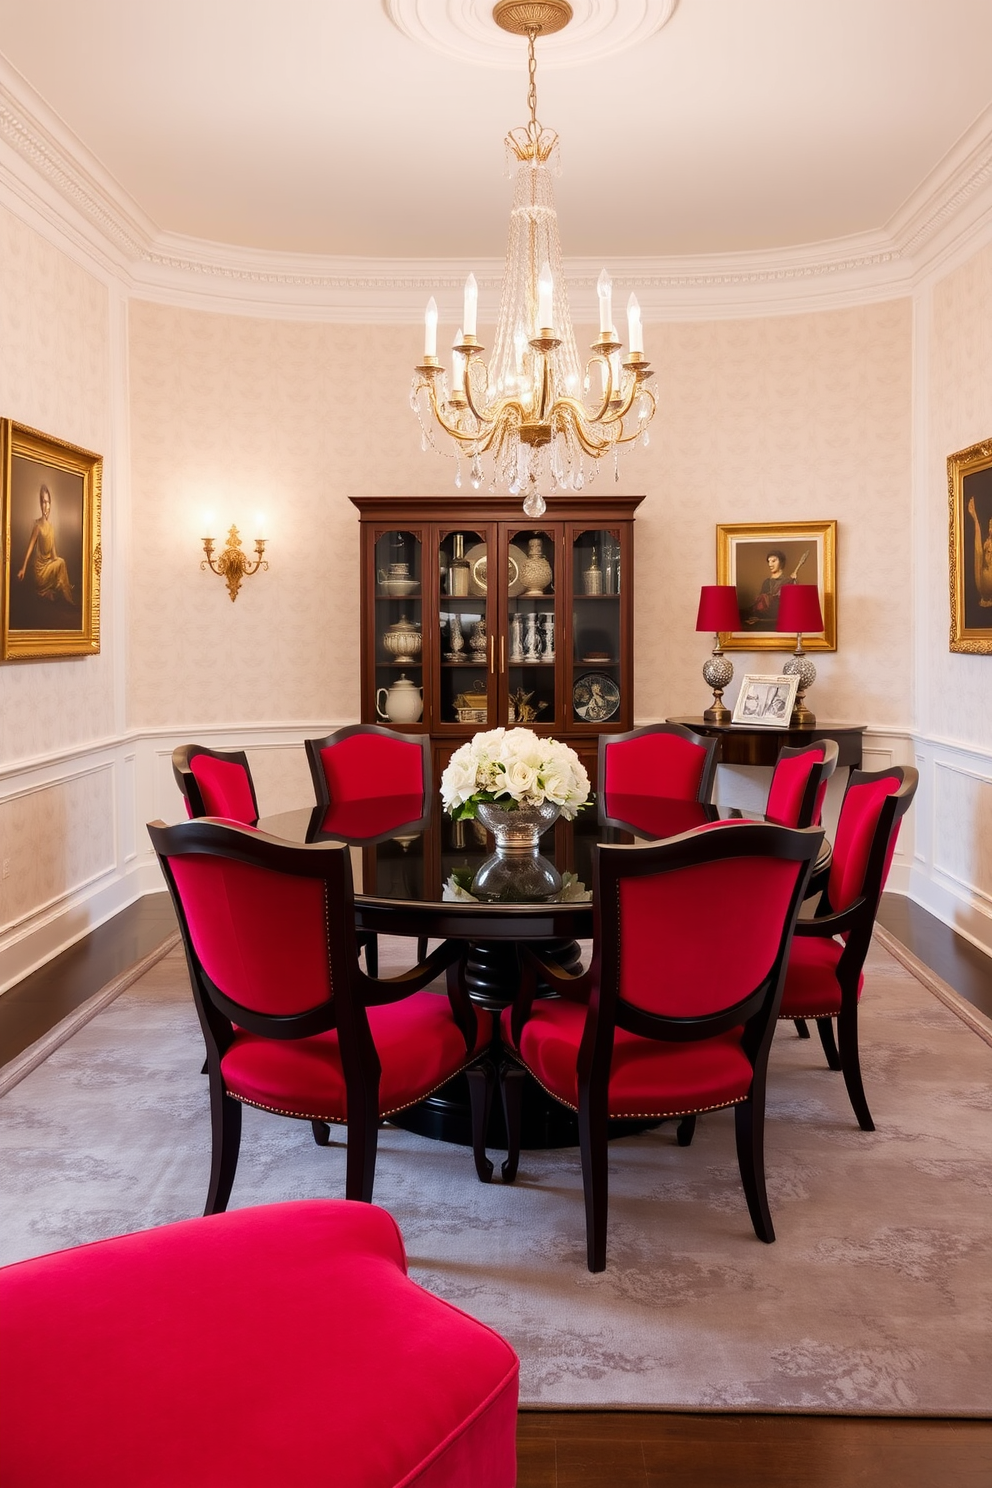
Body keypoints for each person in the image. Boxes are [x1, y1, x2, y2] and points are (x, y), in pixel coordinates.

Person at [16, 484, 74, 604]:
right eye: (43, 502)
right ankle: (66, 595)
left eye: (47, 502)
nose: (45, 506)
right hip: (40, 572)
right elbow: (30, 549)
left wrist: (63, 574)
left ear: (50, 504)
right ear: (40, 504)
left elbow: (54, 556)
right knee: (61, 563)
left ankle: (58, 589)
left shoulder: (51, 527)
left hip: (48, 568)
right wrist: (23, 569)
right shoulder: (38, 526)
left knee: (60, 562)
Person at [745, 547, 807, 628]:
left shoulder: (788, 581)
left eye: (773, 561)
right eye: (769, 561)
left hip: (780, 619)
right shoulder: (766, 582)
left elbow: (793, 603)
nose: (770, 564)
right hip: (764, 618)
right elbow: (760, 604)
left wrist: (794, 582)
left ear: (781, 562)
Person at [967, 495, 992, 608]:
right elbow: (978, 551)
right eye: (990, 525)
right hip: (983, 587)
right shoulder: (986, 545)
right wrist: (975, 518)